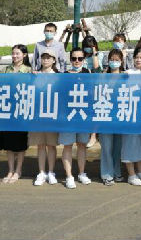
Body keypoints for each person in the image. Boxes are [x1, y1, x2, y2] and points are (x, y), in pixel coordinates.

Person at [58, 47, 92, 189]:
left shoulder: (88, 74)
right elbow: (60, 95)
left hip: (83, 115)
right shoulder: (64, 75)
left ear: (84, 60)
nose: (77, 61)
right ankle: (69, 176)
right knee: (67, 145)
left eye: (80, 58)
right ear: (70, 59)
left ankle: (82, 173)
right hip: (68, 116)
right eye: (74, 58)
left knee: (82, 144)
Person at [0, 44, 33, 184]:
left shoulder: (29, 70)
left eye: (17, 53)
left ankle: (18, 170)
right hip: (8, 109)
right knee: (8, 142)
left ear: (24, 55)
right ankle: (10, 170)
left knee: (20, 143)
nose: (15, 56)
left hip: (22, 109)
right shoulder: (6, 70)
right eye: (13, 53)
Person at [121, 48, 141, 186]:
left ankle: (140, 171)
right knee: (129, 142)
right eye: (137, 57)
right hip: (130, 113)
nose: (139, 60)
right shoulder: (128, 73)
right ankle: (131, 174)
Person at [32, 50, 60, 186]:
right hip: (38, 114)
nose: (46, 60)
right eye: (43, 58)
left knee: (51, 145)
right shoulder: (35, 75)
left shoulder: (58, 76)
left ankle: (51, 172)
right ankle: (41, 172)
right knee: (41, 145)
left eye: (48, 58)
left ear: (54, 60)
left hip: (52, 115)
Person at [99, 49, 125, 186]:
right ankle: (106, 174)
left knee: (117, 147)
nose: (114, 62)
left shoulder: (125, 76)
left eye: (117, 60)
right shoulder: (103, 76)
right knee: (106, 146)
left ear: (121, 61)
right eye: (112, 59)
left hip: (120, 115)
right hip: (105, 115)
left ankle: (116, 172)